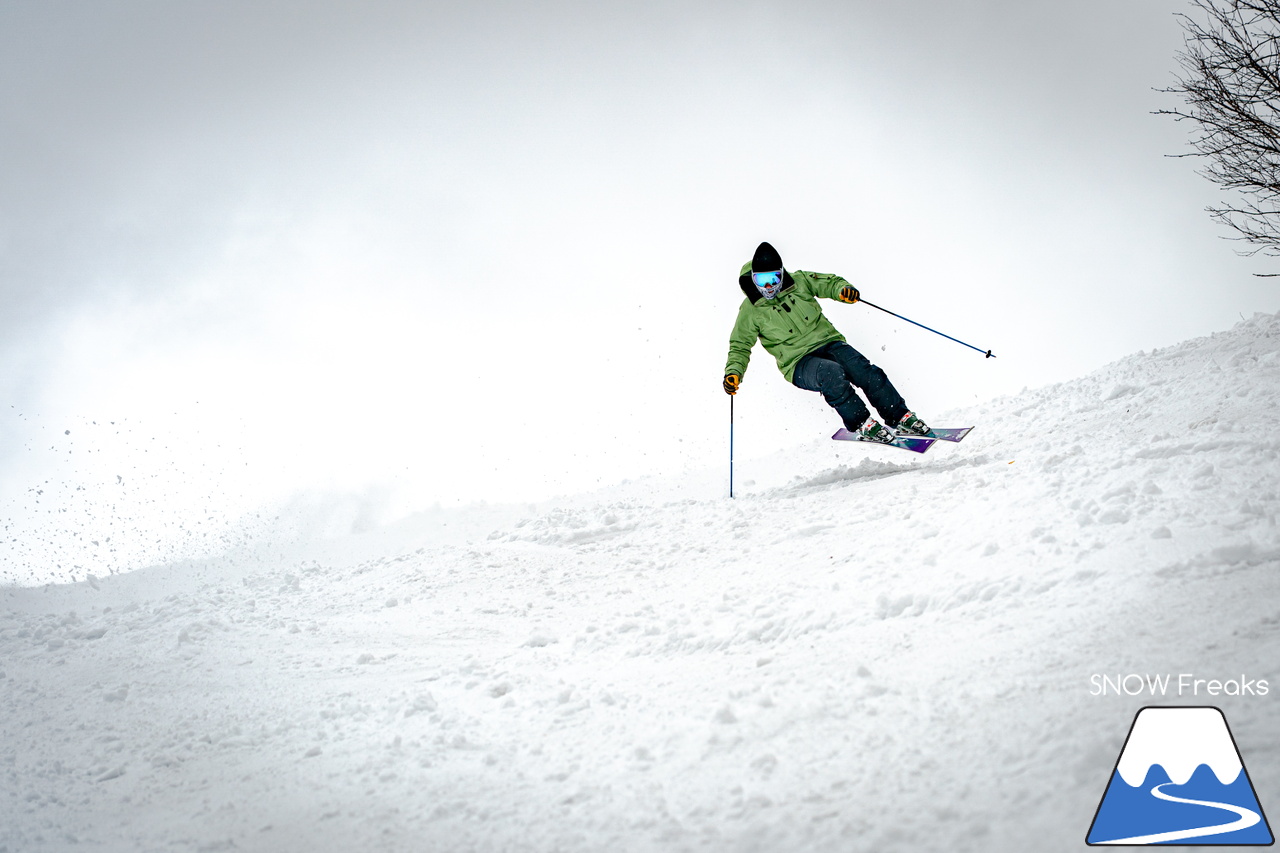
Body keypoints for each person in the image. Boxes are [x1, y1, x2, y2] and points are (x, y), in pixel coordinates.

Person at [722, 241, 930, 443]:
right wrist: (734, 372)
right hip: (797, 363)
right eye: (761, 280)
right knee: (830, 373)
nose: (768, 286)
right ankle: (862, 423)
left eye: (774, 278)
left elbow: (829, 283)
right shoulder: (750, 311)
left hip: (829, 343)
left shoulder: (800, 281)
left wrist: (843, 290)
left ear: (782, 274)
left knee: (864, 371)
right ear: (753, 279)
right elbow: (740, 345)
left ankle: (900, 417)